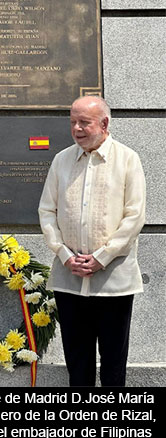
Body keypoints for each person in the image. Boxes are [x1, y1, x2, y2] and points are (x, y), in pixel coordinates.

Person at [38, 96, 146, 386]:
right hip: (68, 278)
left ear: (104, 123)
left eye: (84, 122)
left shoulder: (127, 159)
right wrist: (63, 254)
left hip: (113, 281)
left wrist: (102, 256)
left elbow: (134, 217)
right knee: (77, 362)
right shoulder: (61, 160)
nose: (77, 129)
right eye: (73, 121)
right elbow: (47, 211)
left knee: (113, 363)